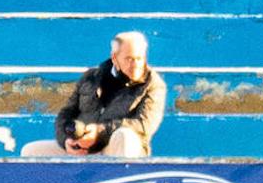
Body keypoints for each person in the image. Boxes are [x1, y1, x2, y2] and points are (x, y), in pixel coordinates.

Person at [20, 31, 166, 158]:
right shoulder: (91, 77)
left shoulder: (153, 84)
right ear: (115, 58)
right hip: (84, 149)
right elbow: (65, 114)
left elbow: (143, 125)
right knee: (31, 151)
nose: (135, 65)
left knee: (125, 136)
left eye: (139, 58)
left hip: (116, 148)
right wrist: (66, 140)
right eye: (129, 59)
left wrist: (99, 132)